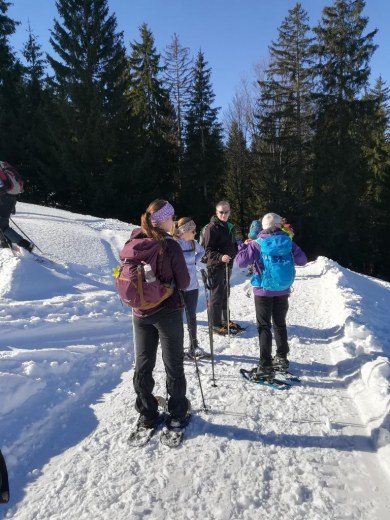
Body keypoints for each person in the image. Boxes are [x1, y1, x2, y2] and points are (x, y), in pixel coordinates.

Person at [128, 199, 191, 429]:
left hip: (140, 311)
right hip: (168, 310)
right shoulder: (169, 245)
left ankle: (147, 413)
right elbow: (183, 282)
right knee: (173, 362)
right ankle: (176, 413)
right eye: (172, 217)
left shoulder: (135, 239)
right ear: (163, 219)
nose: (174, 221)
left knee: (143, 363)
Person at [236, 212, 307, 378]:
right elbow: (302, 260)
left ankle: (265, 364)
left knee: (264, 326)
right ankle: (282, 358)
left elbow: (240, 262)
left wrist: (243, 247)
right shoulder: (288, 241)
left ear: (264, 227)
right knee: (280, 323)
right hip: (283, 289)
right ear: (279, 225)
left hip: (263, 289)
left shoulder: (258, 243)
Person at [202, 200, 241, 335]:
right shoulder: (212, 228)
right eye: (221, 212)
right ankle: (215, 324)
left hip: (227, 265)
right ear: (216, 212)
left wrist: (236, 250)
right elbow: (207, 250)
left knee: (225, 293)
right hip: (216, 266)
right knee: (217, 295)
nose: (224, 214)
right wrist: (220, 257)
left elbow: (232, 244)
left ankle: (225, 320)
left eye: (226, 212)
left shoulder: (229, 226)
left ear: (230, 212)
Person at [173, 217, 209, 359]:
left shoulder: (193, 243)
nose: (195, 233)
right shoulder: (175, 244)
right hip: (179, 287)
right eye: (193, 230)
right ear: (184, 231)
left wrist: (194, 260)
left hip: (193, 286)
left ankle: (194, 346)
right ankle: (177, 348)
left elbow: (202, 251)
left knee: (191, 317)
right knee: (177, 318)